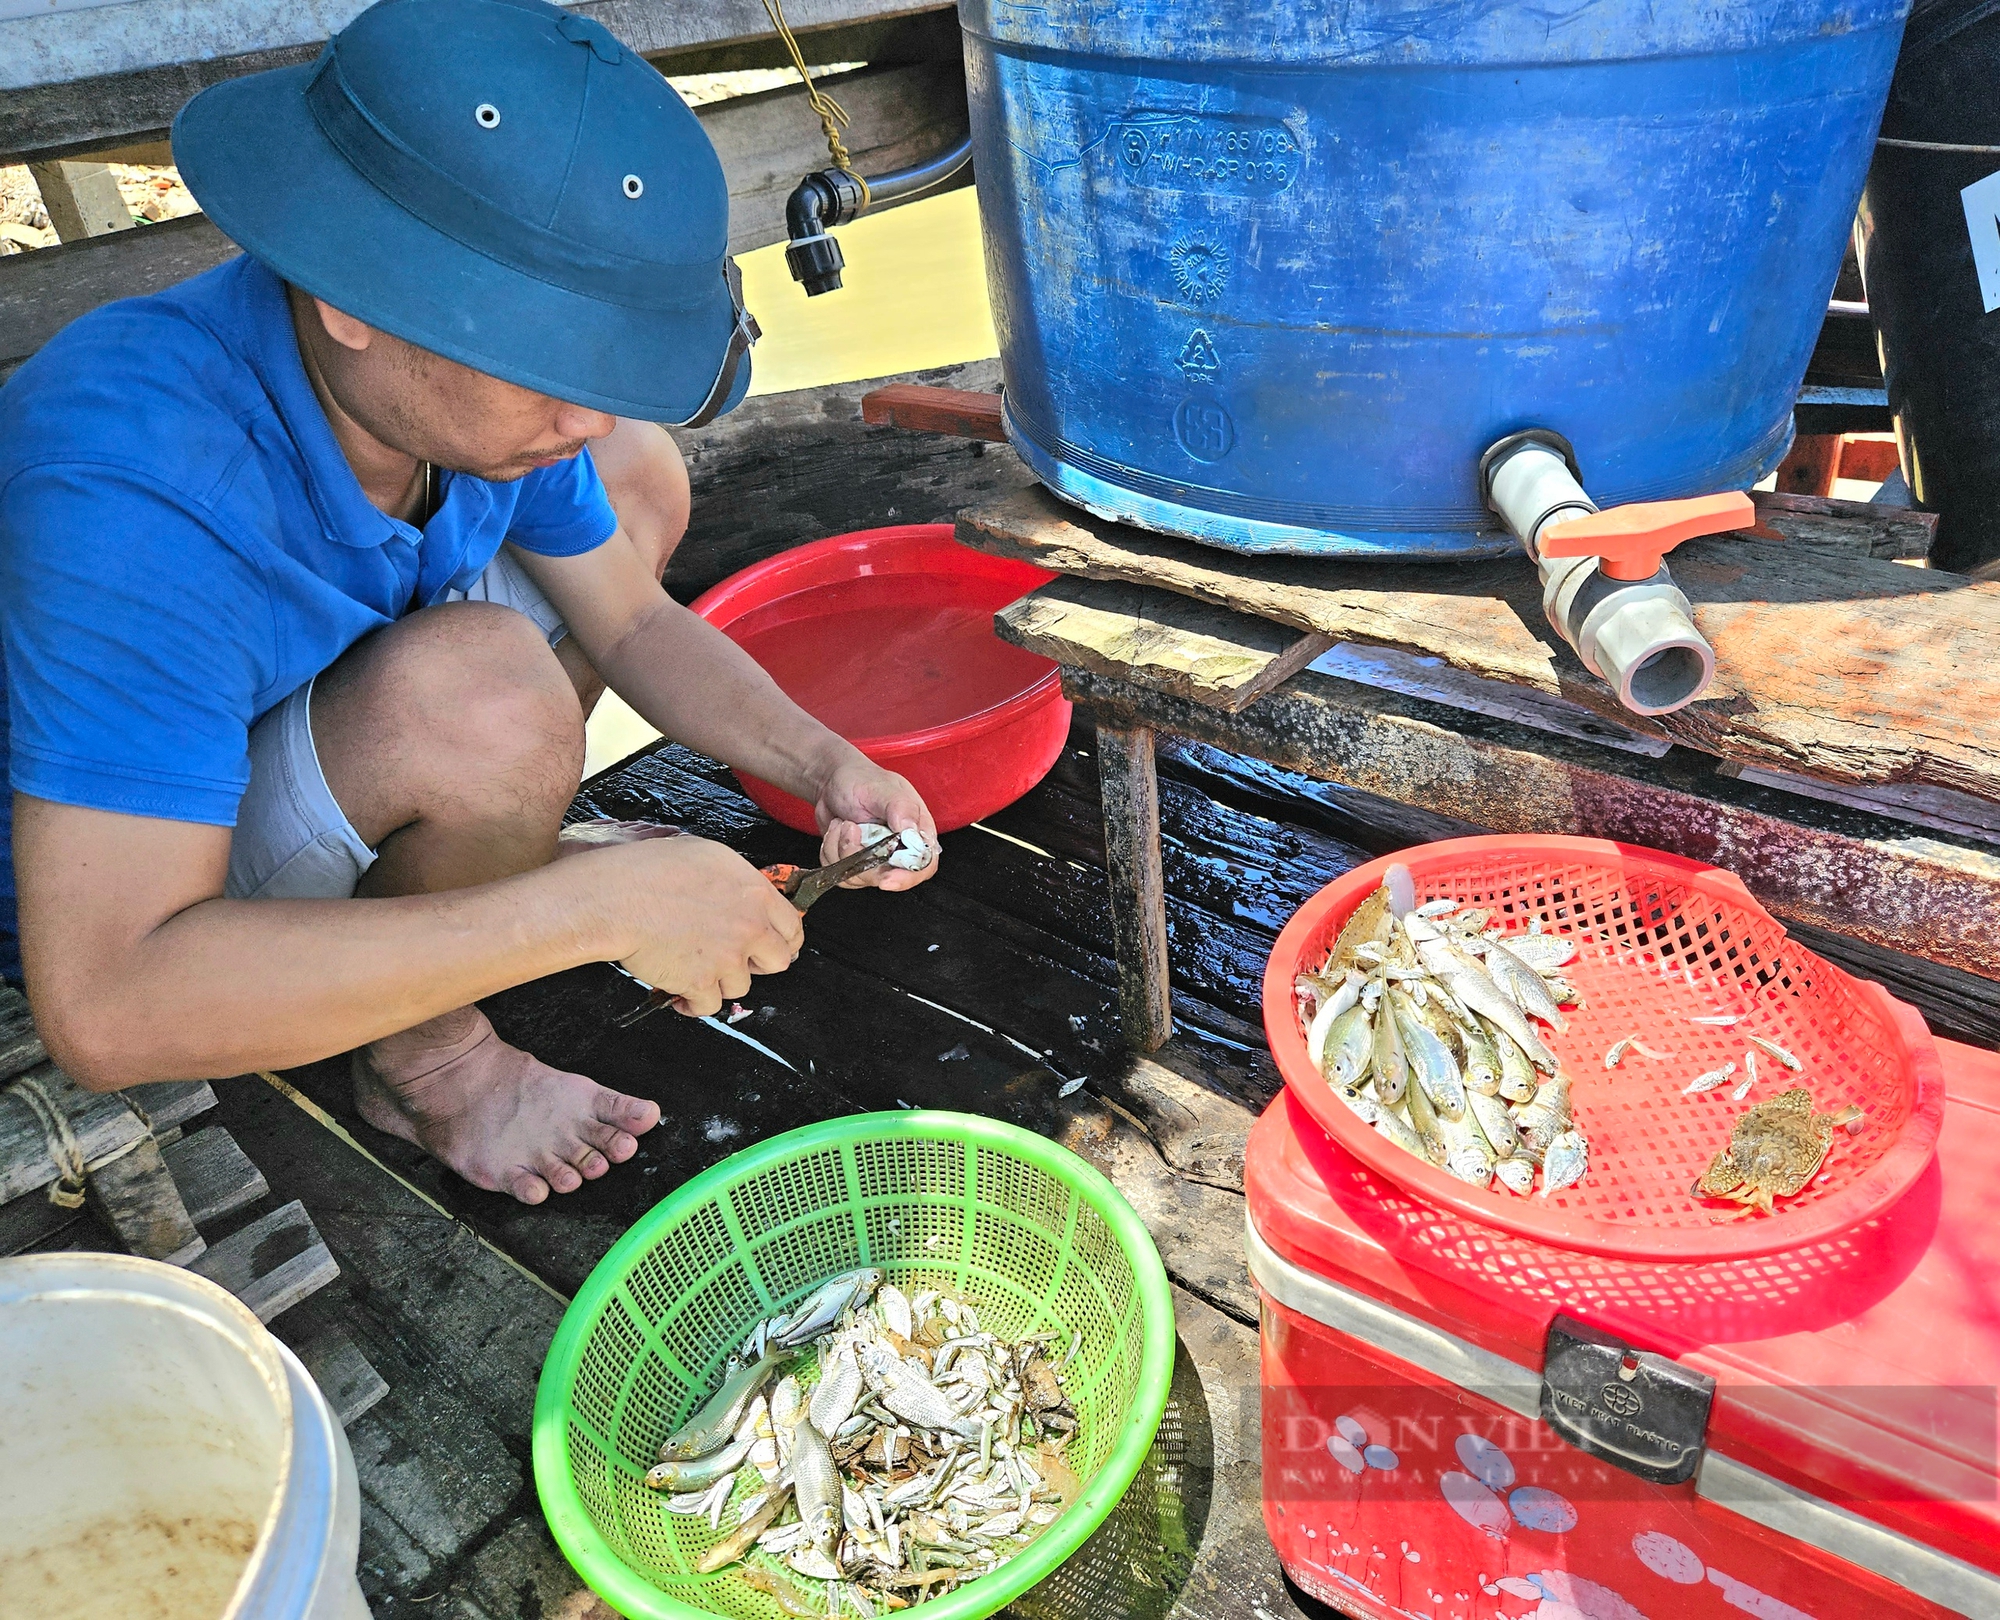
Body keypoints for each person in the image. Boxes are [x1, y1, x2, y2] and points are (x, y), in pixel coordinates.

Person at [0, 0, 938, 1205]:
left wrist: (823, 765)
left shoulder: (440, 381)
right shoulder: (130, 492)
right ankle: (429, 1059)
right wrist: (587, 909)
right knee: (489, 696)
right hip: (143, 907)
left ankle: (485, 847)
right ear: (352, 296)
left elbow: (636, 622)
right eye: (547, 358)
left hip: (311, 723)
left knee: (634, 473)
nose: (583, 405)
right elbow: (109, 1007)